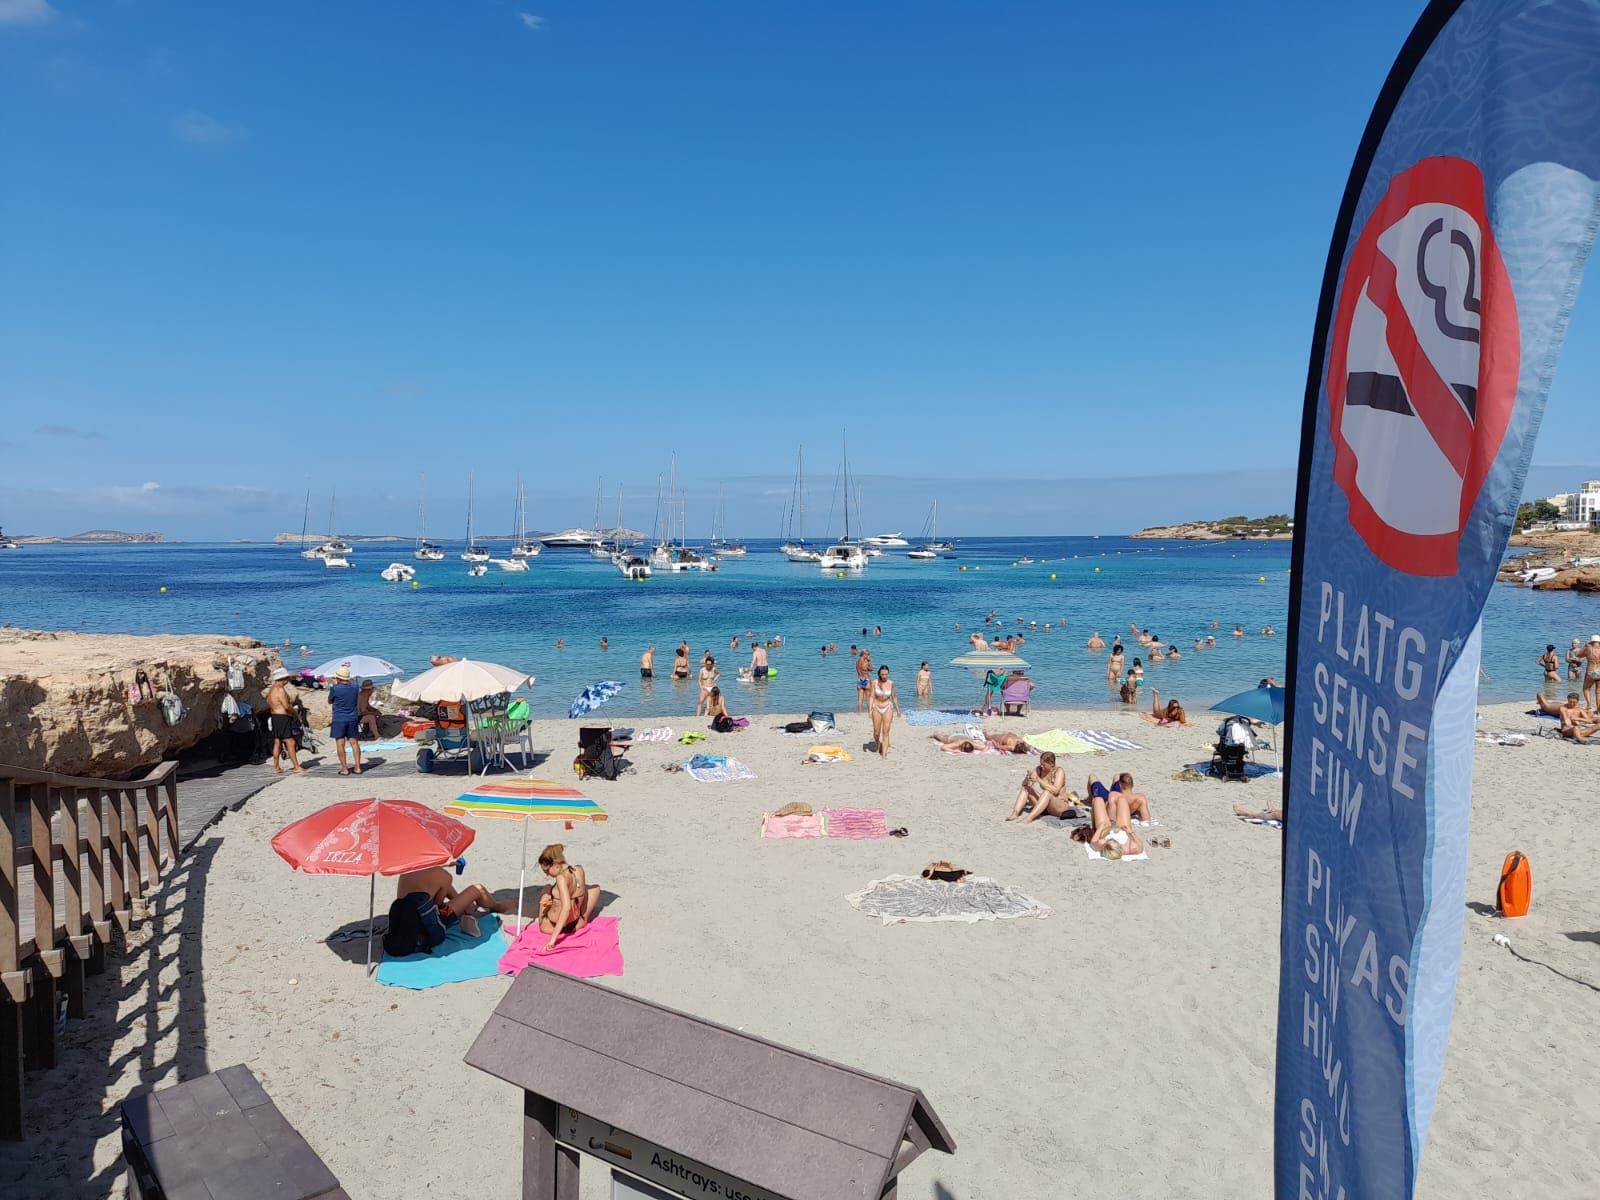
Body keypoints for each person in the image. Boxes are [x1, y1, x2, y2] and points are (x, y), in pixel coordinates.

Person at [393, 861, 516, 939]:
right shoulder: (444, 876)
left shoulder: (407, 867)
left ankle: (467, 908)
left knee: (440, 884)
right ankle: (496, 907)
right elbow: (438, 905)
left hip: (402, 920)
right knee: (478, 889)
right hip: (428, 925)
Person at [266, 668, 308, 774]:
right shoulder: (280, 690)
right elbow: (286, 707)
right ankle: (296, 766)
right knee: (291, 742)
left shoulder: (272, 689)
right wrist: (294, 714)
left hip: (275, 717)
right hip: (282, 718)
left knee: (277, 741)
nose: (287, 680)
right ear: (282, 679)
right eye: (286, 678)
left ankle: (276, 767)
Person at [1009, 751, 1069, 823]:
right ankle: (1015, 813)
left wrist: (1039, 780)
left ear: (1051, 764)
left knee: (1047, 792)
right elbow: (1026, 785)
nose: (1041, 766)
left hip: (1059, 806)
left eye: (1044, 765)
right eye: (1041, 764)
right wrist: (1027, 779)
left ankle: (1029, 817)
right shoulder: (1039, 769)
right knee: (1026, 789)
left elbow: (1055, 791)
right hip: (1046, 806)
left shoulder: (1059, 771)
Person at [327, 665, 363, 776]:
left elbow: (330, 701)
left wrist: (334, 686)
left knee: (340, 743)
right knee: (354, 742)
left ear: (338, 678)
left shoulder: (335, 688)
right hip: (352, 717)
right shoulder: (355, 687)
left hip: (339, 718)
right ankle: (358, 767)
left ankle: (345, 768)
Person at [1534, 691, 1600, 741]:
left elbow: (1589, 720)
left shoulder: (1580, 710)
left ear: (1577, 702)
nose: (1571, 704)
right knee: (1575, 728)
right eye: (1570, 702)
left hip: (1580, 732)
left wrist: (1578, 719)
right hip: (1567, 731)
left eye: (1574, 702)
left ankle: (1578, 736)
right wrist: (1573, 721)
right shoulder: (1563, 708)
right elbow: (1566, 721)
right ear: (1567, 700)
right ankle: (1580, 739)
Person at [868, 664, 900, 758]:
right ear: (879, 674)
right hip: (876, 707)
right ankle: (878, 744)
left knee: (886, 731)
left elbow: (894, 696)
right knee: (876, 731)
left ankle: (884, 754)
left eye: (886, 674)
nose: (884, 676)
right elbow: (871, 696)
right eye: (882, 674)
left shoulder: (891, 683)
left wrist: (898, 709)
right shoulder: (874, 682)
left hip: (887, 707)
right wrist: (870, 710)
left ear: (888, 674)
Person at [1584, 635, 1600, 711]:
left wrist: (1585, 646)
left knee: (1586, 688)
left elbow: (1578, 655)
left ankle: (1589, 705)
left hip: (1591, 670)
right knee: (1598, 691)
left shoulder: (1588, 648)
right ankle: (1598, 710)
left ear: (1591, 642)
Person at [855, 648, 873, 713]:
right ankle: (869, 712)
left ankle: (859, 713)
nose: (869, 655)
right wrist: (869, 661)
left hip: (860, 679)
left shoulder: (857, 662)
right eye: (868, 654)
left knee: (860, 699)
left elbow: (858, 671)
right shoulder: (866, 662)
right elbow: (871, 669)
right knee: (868, 698)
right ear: (864, 654)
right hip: (866, 679)